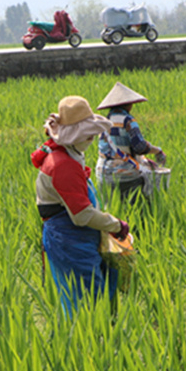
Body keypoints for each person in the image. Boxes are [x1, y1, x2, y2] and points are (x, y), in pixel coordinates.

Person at [32, 96, 130, 317]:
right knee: (85, 301)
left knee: (90, 293)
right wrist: (115, 225)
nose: (93, 138)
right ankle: (90, 343)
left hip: (76, 236)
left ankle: (97, 337)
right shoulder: (63, 165)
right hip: (69, 238)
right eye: (88, 134)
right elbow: (81, 215)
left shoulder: (68, 154)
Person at [94, 82, 166, 201]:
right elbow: (139, 146)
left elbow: (111, 149)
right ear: (129, 105)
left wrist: (143, 159)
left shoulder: (105, 121)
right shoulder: (128, 120)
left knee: (112, 211)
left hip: (102, 173)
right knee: (136, 210)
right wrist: (157, 150)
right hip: (124, 174)